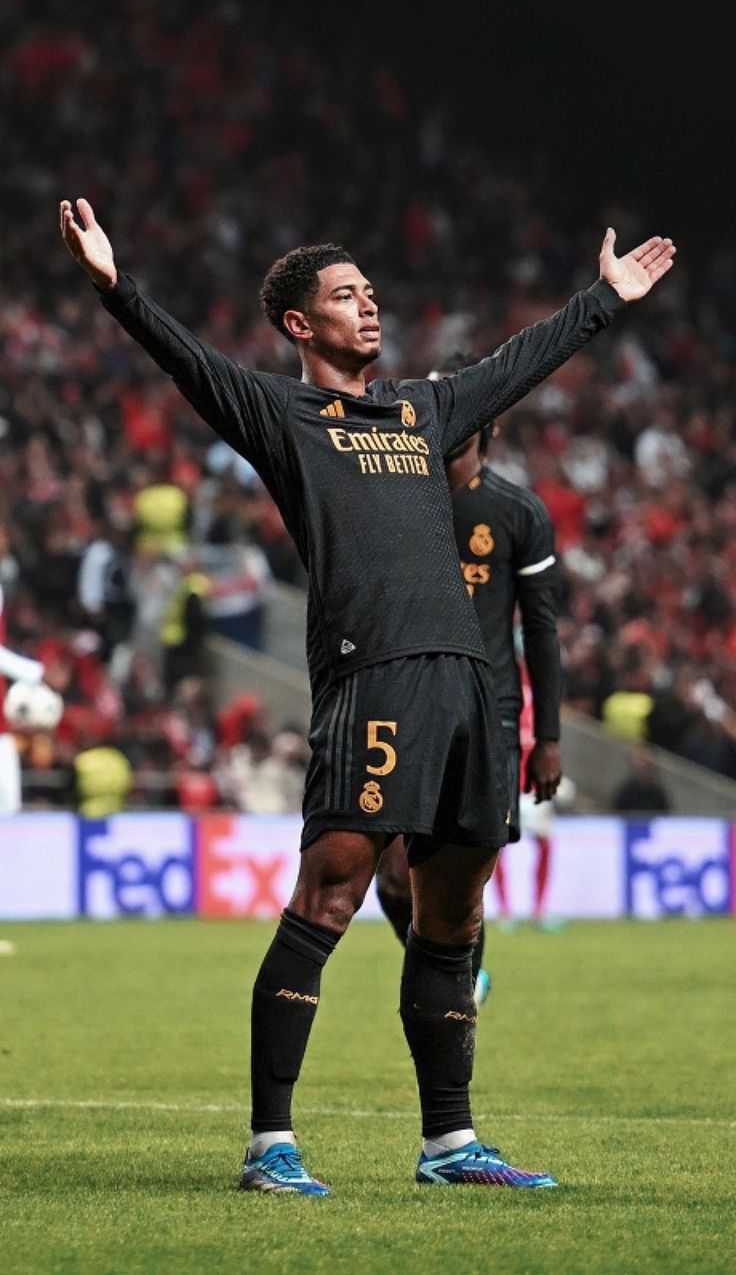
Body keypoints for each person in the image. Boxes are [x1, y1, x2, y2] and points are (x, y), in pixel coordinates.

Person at [60, 197, 675, 1195]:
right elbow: (189, 364)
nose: (369, 308)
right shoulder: (285, 415)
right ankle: (270, 1143)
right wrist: (115, 286)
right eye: (346, 297)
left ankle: (449, 1145)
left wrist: (603, 300)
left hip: (471, 689)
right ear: (301, 325)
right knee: (334, 886)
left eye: (370, 293)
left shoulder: (422, 410)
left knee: (452, 920)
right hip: (373, 674)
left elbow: (516, 364)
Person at [376, 408, 562, 978]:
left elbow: (540, 628)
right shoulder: (402, 500)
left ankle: (455, 998)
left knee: (460, 878)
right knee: (391, 874)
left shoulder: (515, 510)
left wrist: (547, 737)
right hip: (409, 708)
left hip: (491, 716)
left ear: (489, 424)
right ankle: (447, 978)